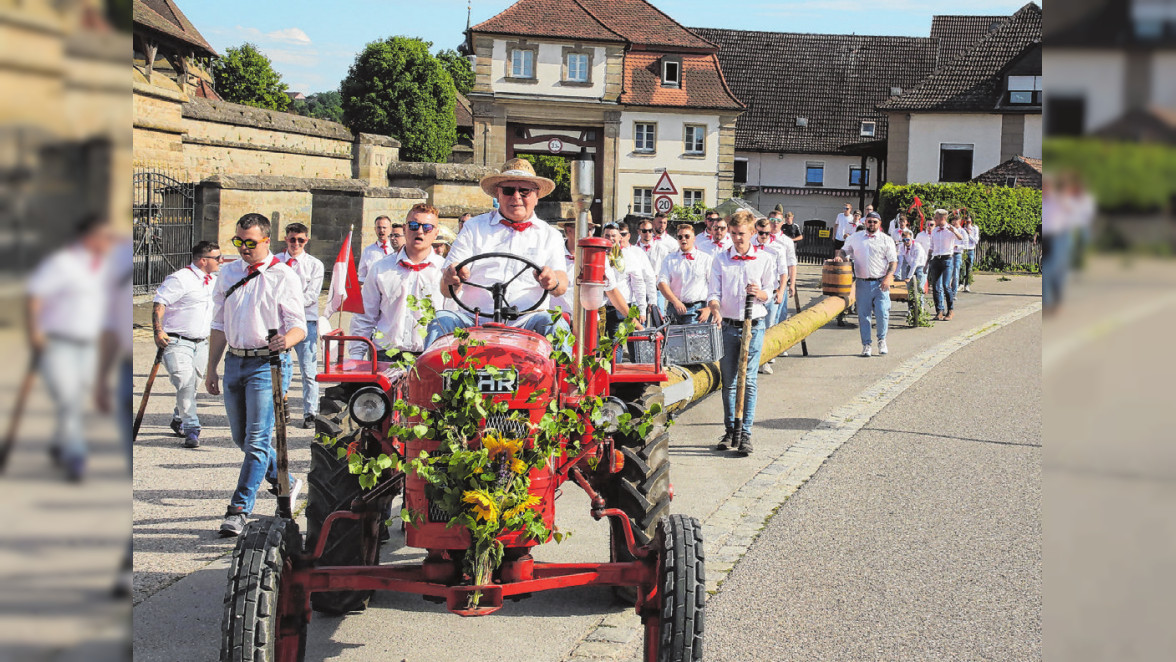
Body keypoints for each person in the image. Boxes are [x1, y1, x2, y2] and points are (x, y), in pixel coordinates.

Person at [206, 213, 307, 537]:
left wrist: (286, 340)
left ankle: (238, 509)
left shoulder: (283, 275)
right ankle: (287, 481)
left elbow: (299, 327)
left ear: (266, 241)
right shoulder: (229, 272)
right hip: (236, 360)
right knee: (242, 438)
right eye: (238, 242)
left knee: (258, 439)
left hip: (267, 363)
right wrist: (211, 367)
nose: (244, 248)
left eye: (250, 243)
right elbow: (220, 324)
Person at [427, 159, 570, 346]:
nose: (516, 196)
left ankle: (564, 376)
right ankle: (431, 375)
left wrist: (552, 280)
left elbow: (562, 285)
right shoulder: (473, 228)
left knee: (557, 324)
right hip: (475, 320)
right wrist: (453, 277)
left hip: (528, 321)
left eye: (524, 191)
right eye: (509, 190)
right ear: (498, 194)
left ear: (536, 196)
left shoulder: (549, 235)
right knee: (441, 321)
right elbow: (446, 291)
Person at [25, 213, 115, 481]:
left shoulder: (105, 267)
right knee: (69, 399)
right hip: (59, 343)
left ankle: (60, 441)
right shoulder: (62, 263)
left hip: (90, 345)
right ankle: (75, 455)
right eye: (105, 236)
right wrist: (35, 333)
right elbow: (36, 297)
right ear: (89, 237)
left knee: (77, 400)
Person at [708, 210, 775, 456]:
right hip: (727, 324)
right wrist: (714, 308)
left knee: (749, 380)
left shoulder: (764, 259)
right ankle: (730, 430)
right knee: (729, 382)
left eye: (742, 234)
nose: (737, 238)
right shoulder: (721, 259)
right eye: (733, 234)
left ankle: (745, 432)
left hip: (753, 325)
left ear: (752, 232)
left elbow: (771, 292)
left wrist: (760, 293)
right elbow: (713, 292)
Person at [350, 204, 450, 360]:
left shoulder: (445, 271)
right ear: (404, 229)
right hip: (386, 356)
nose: (420, 231)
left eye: (427, 227)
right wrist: (356, 357)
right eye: (414, 225)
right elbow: (364, 317)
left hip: (429, 357)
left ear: (436, 233)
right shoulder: (380, 268)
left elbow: (452, 318)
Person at [151, 241, 222, 447]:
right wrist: (158, 331)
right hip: (176, 340)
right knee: (184, 381)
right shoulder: (180, 279)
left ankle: (178, 417)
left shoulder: (213, 281)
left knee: (194, 384)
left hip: (201, 342)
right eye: (217, 258)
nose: (221, 261)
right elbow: (159, 303)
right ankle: (192, 427)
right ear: (203, 260)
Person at [275, 223, 324, 428]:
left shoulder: (314, 264)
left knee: (308, 369)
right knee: (280, 367)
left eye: (300, 240)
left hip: (306, 320)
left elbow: (312, 295)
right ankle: (280, 406)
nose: (296, 243)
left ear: (306, 241)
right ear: (286, 239)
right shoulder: (276, 261)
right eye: (292, 239)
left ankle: (310, 412)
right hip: (281, 322)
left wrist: (289, 303)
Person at [838, 212, 897, 357]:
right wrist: (839, 257)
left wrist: (888, 277)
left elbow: (893, 261)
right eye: (869, 221)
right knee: (864, 316)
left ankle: (882, 340)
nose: (872, 224)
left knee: (882, 313)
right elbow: (844, 251)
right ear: (866, 223)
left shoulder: (886, 240)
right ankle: (866, 344)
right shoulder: (855, 238)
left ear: (879, 223)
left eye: (875, 222)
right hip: (862, 282)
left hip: (880, 282)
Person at [657, 223, 714, 325]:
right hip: (674, 308)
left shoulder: (705, 259)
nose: (683, 239)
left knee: (694, 341)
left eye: (687, 236)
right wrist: (675, 301)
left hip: (697, 310)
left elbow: (715, 286)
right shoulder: (669, 258)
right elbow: (661, 283)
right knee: (673, 340)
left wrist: (709, 309)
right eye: (680, 237)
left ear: (694, 238)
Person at [925, 209, 965, 321]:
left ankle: (950, 310)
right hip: (935, 259)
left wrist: (954, 231)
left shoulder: (950, 230)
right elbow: (931, 247)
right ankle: (939, 311)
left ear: (943, 218)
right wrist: (927, 263)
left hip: (947, 259)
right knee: (936, 287)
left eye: (936, 218)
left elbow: (960, 238)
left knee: (946, 285)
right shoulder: (934, 230)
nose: (934, 220)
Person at [619, 222, 657, 319]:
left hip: (634, 302)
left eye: (623, 234)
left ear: (629, 236)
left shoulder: (637, 252)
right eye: (618, 234)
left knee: (636, 333)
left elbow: (649, 277)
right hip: (613, 303)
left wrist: (652, 301)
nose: (620, 238)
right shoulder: (610, 253)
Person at [357, 215, 394, 283]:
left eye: (384, 227)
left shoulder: (396, 250)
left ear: (390, 229)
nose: (381, 230)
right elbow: (362, 275)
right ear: (375, 229)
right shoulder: (368, 251)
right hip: (373, 290)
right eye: (379, 227)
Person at [960, 212, 980, 292]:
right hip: (963, 250)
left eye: (969, 222)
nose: (967, 223)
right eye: (966, 221)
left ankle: (967, 285)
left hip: (970, 249)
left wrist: (969, 234)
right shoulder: (962, 228)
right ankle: (960, 284)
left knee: (969, 268)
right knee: (961, 268)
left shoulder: (975, 228)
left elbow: (976, 241)